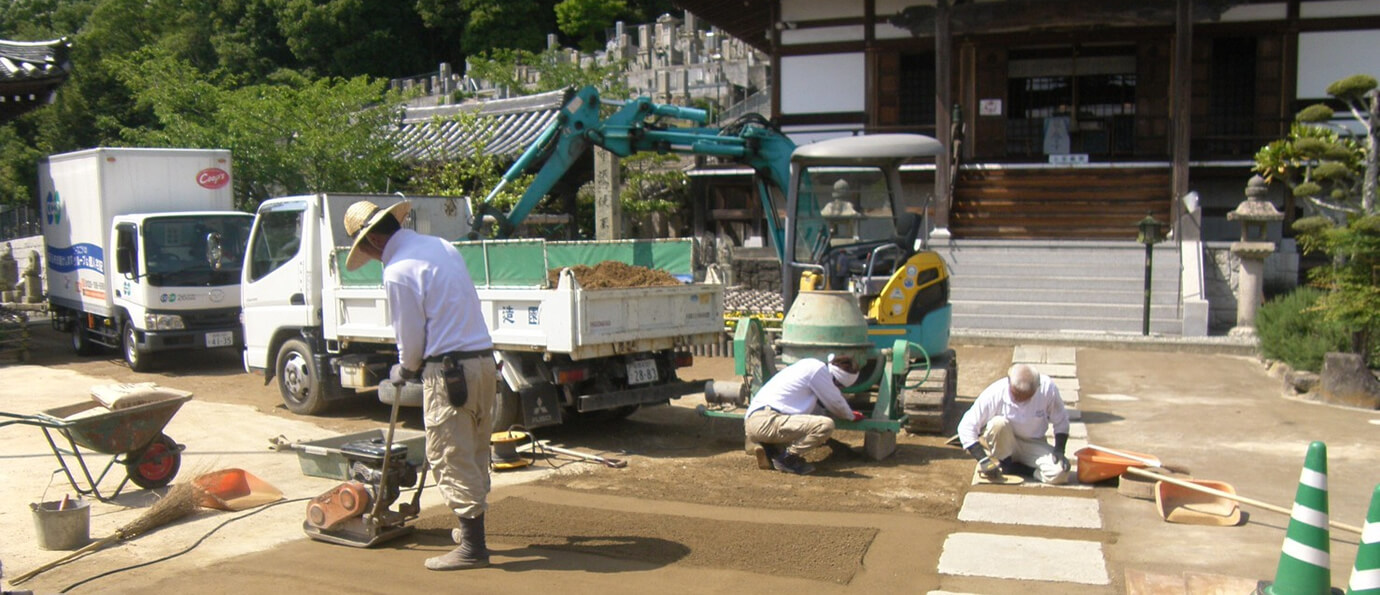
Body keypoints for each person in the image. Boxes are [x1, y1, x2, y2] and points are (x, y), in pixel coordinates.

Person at [343, 199, 497, 571]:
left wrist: (404, 369)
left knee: (449, 454)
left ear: (373, 242)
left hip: (448, 372)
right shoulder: (440, 247)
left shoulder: (397, 269)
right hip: (484, 360)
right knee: (475, 448)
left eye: (365, 249)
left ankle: (473, 548)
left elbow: (410, 336)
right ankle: (470, 531)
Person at [743, 354, 864, 475]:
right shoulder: (818, 370)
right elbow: (836, 403)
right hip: (767, 420)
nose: (838, 389)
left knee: (808, 427)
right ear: (836, 380)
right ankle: (787, 459)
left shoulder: (808, 366)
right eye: (839, 386)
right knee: (825, 425)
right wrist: (851, 416)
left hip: (756, 421)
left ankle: (769, 449)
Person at [957, 363, 1071, 484]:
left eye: (1025, 397)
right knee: (998, 423)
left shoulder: (1047, 389)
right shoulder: (995, 393)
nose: (1019, 400)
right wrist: (983, 460)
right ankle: (1003, 460)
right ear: (1009, 382)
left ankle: (1017, 469)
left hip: (1033, 443)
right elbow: (966, 427)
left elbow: (1061, 421)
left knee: (1060, 473)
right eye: (1016, 394)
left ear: (1037, 388)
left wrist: (1059, 450)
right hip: (1003, 441)